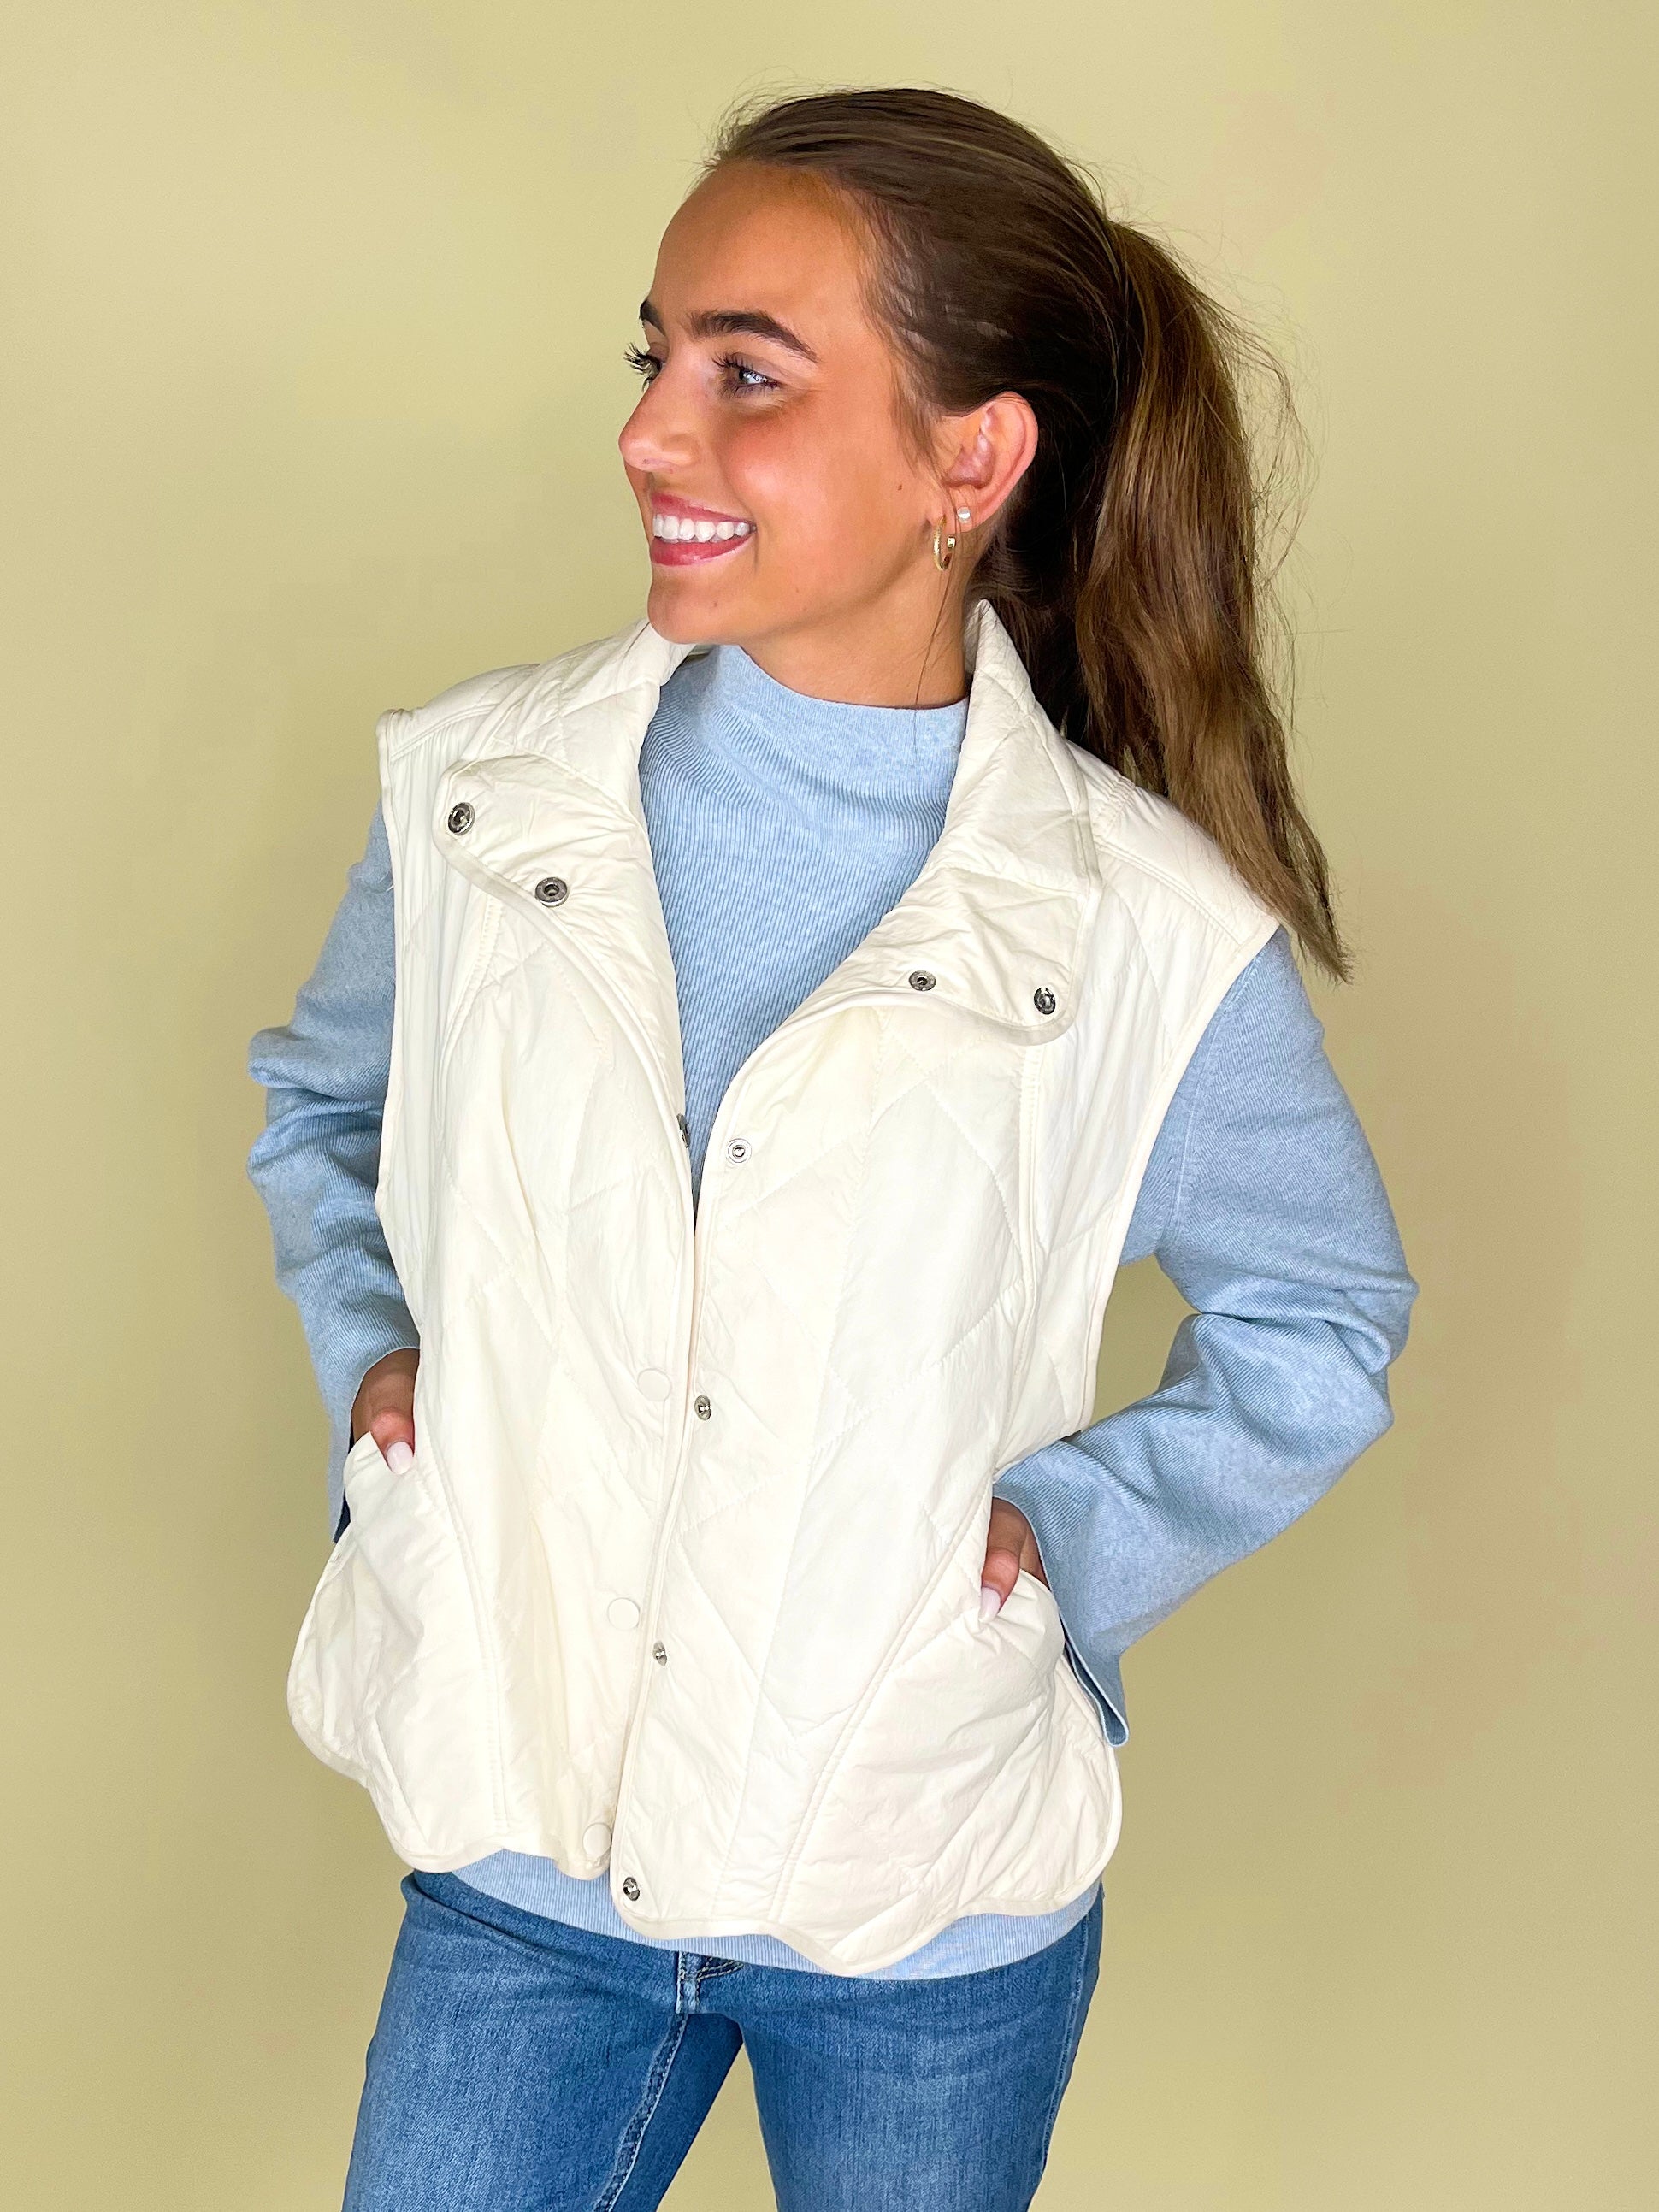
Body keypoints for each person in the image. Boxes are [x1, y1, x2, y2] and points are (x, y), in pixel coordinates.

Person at [247, 86, 1418, 2212]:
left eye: (748, 375)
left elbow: (1322, 1315)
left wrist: (1062, 1551)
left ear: (970, 461)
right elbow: (325, 1102)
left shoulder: (1145, 935)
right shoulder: (478, 799)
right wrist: (375, 1378)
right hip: (521, 1847)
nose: (649, 433)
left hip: (918, 1895)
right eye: (657, 358)